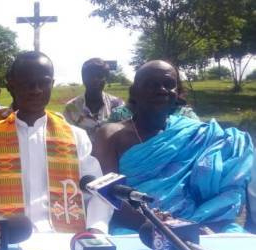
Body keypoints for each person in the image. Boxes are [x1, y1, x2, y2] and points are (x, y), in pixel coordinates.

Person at [93, 60, 253, 234]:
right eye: (151, 84)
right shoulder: (110, 135)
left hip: (200, 225)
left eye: (169, 84)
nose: (161, 89)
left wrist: (194, 228)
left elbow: (224, 188)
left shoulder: (195, 133)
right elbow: (107, 195)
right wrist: (167, 229)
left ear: (177, 93)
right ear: (134, 93)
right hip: (138, 229)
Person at [0, 51, 113, 233]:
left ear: (52, 84)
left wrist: (95, 230)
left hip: (64, 240)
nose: (36, 89)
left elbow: (97, 192)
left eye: (44, 82)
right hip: (7, 240)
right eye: (27, 83)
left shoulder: (75, 136)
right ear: (12, 85)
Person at [63, 58, 124, 141]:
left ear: (106, 79)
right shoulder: (71, 107)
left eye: (100, 76)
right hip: (82, 153)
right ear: (83, 78)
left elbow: (126, 134)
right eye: (90, 76)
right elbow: (68, 138)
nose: (95, 80)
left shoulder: (118, 105)